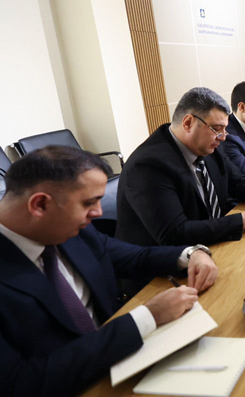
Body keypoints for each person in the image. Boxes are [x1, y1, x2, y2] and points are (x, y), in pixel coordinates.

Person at [0, 146, 218, 397]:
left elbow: (134, 257)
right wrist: (148, 316)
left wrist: (192, 254)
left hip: (127, 362)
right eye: (88, 203)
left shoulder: (67, 226)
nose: (99, 213)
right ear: (40, 204)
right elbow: (21, 384)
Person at [117, 87, 245, 249]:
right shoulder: (149, 165)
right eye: (217, 129)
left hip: (213, 243)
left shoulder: (207, 145)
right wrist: (244, 220)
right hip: (166, 265)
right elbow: (174, 233)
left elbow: (238, 182)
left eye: (225, 129)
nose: (223, 137)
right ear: (188, 123)